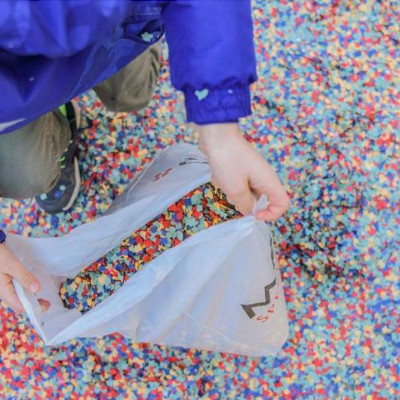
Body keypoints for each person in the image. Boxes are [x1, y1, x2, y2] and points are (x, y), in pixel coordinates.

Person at [0, 1, 290, 314]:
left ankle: (133, 50)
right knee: (26, 174)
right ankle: (58, 125)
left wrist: (219, 127)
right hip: (16, 94)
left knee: (132, 94)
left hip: (120, 23)